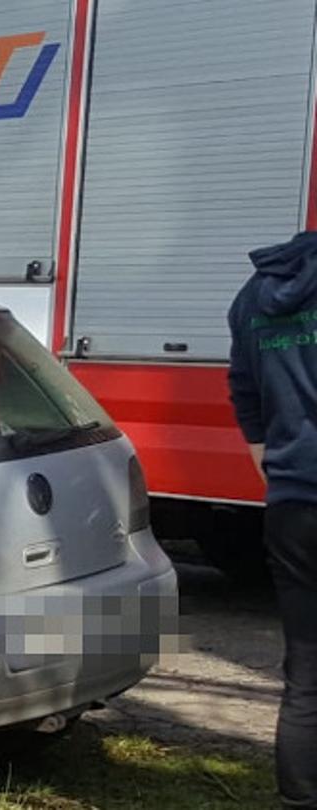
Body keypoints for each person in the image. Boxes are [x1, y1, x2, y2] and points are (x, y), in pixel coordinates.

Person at [227, 231, 317, 810]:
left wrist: (278, 470)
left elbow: (244, 391)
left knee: (307, 668)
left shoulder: (254, 293)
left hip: (292, 506)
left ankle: (299, 796)